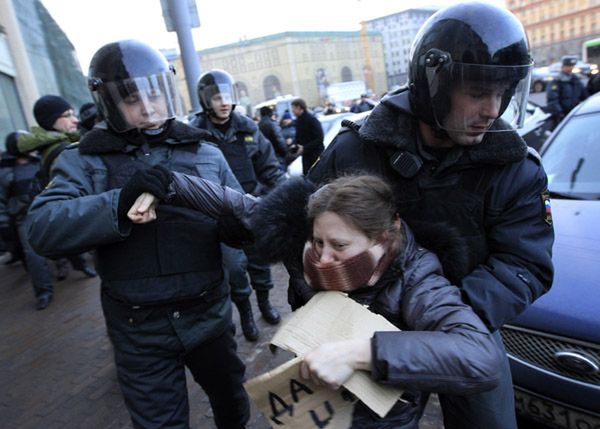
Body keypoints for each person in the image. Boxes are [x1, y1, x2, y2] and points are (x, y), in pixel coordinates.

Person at [305, 3, 555, 429]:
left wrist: (445, 313)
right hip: (363, 319)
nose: (493, 110)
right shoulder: (356, 149)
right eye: (478, 93)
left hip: (466, 323)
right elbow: (307, 233)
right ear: (434, 84)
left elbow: (525, 265)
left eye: (503, 92)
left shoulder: (517, 167)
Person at [127, 172, 504, 429]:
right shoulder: (302, 243)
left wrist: (363, 353)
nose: (322, 258)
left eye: (340, 246)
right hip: (314, 411)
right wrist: (165, 184)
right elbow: (232, 204)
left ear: (385, 239)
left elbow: (480, 357)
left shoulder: (418, 278)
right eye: (318, 241)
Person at [25, 40, 250, 429]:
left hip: (208, 319)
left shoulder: (205, 152)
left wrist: (240, 232)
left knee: (231, 405)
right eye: (131, 98)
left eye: (154, 93)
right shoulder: (83, 160)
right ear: (109, 102)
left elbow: (245, 215)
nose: (147, 107)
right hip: (138, 331)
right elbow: (43, 228)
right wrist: (117, 202)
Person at [190, 69, 285, 341]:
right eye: (217, 97)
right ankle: (245, 312)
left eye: (228, 97)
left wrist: (285, 195)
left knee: (260, 263)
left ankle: (265, 303)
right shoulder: (194, 133)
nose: (224, 103)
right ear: (206, 100)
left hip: (252, 208)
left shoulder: (248, 127)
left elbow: (269, 167)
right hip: (220, 214)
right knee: (234, 269)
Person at [18, 95, 97, 280]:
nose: (75, 119)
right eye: (67, 115)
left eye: (73, 114)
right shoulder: (62, 151)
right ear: (51, 121)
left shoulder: (56, 145)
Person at [0, 131, 56, 310]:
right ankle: (43, 292)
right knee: (33, 256)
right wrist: (4, 223)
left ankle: (73, 267)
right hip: (24, 219)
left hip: (48, 211)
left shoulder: (39, 162)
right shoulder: (6, 171)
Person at [546, 55, 588, 124]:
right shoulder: (557, 81)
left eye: (572, 66)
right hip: (564, 117)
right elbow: (552, 101)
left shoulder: (576, 80)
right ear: (563, 66)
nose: (570, 68)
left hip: (577, 114)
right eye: (568, 66)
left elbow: (584, 96)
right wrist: (560, 114)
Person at [290, 98, 324, 175]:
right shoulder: (299, 120)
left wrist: (305, 148)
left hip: (316, 155)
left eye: (293, 108)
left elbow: (319, 138)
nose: (292, 111)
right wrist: (294, 145)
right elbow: (299, 137)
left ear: (299, 107)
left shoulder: (311, 119)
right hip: (306, 156)